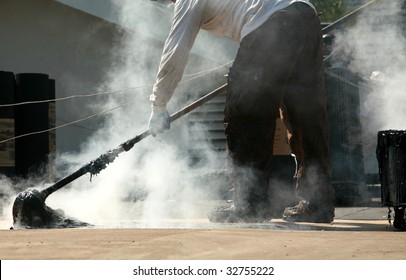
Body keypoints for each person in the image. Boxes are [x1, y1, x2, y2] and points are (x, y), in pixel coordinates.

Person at [148, 0, 335, 223]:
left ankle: (249, 204)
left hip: (272, 23)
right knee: (305, 115)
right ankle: (317, 203)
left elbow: (175, 51)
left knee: (245, 114)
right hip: (306, 15)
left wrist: (158, 106)